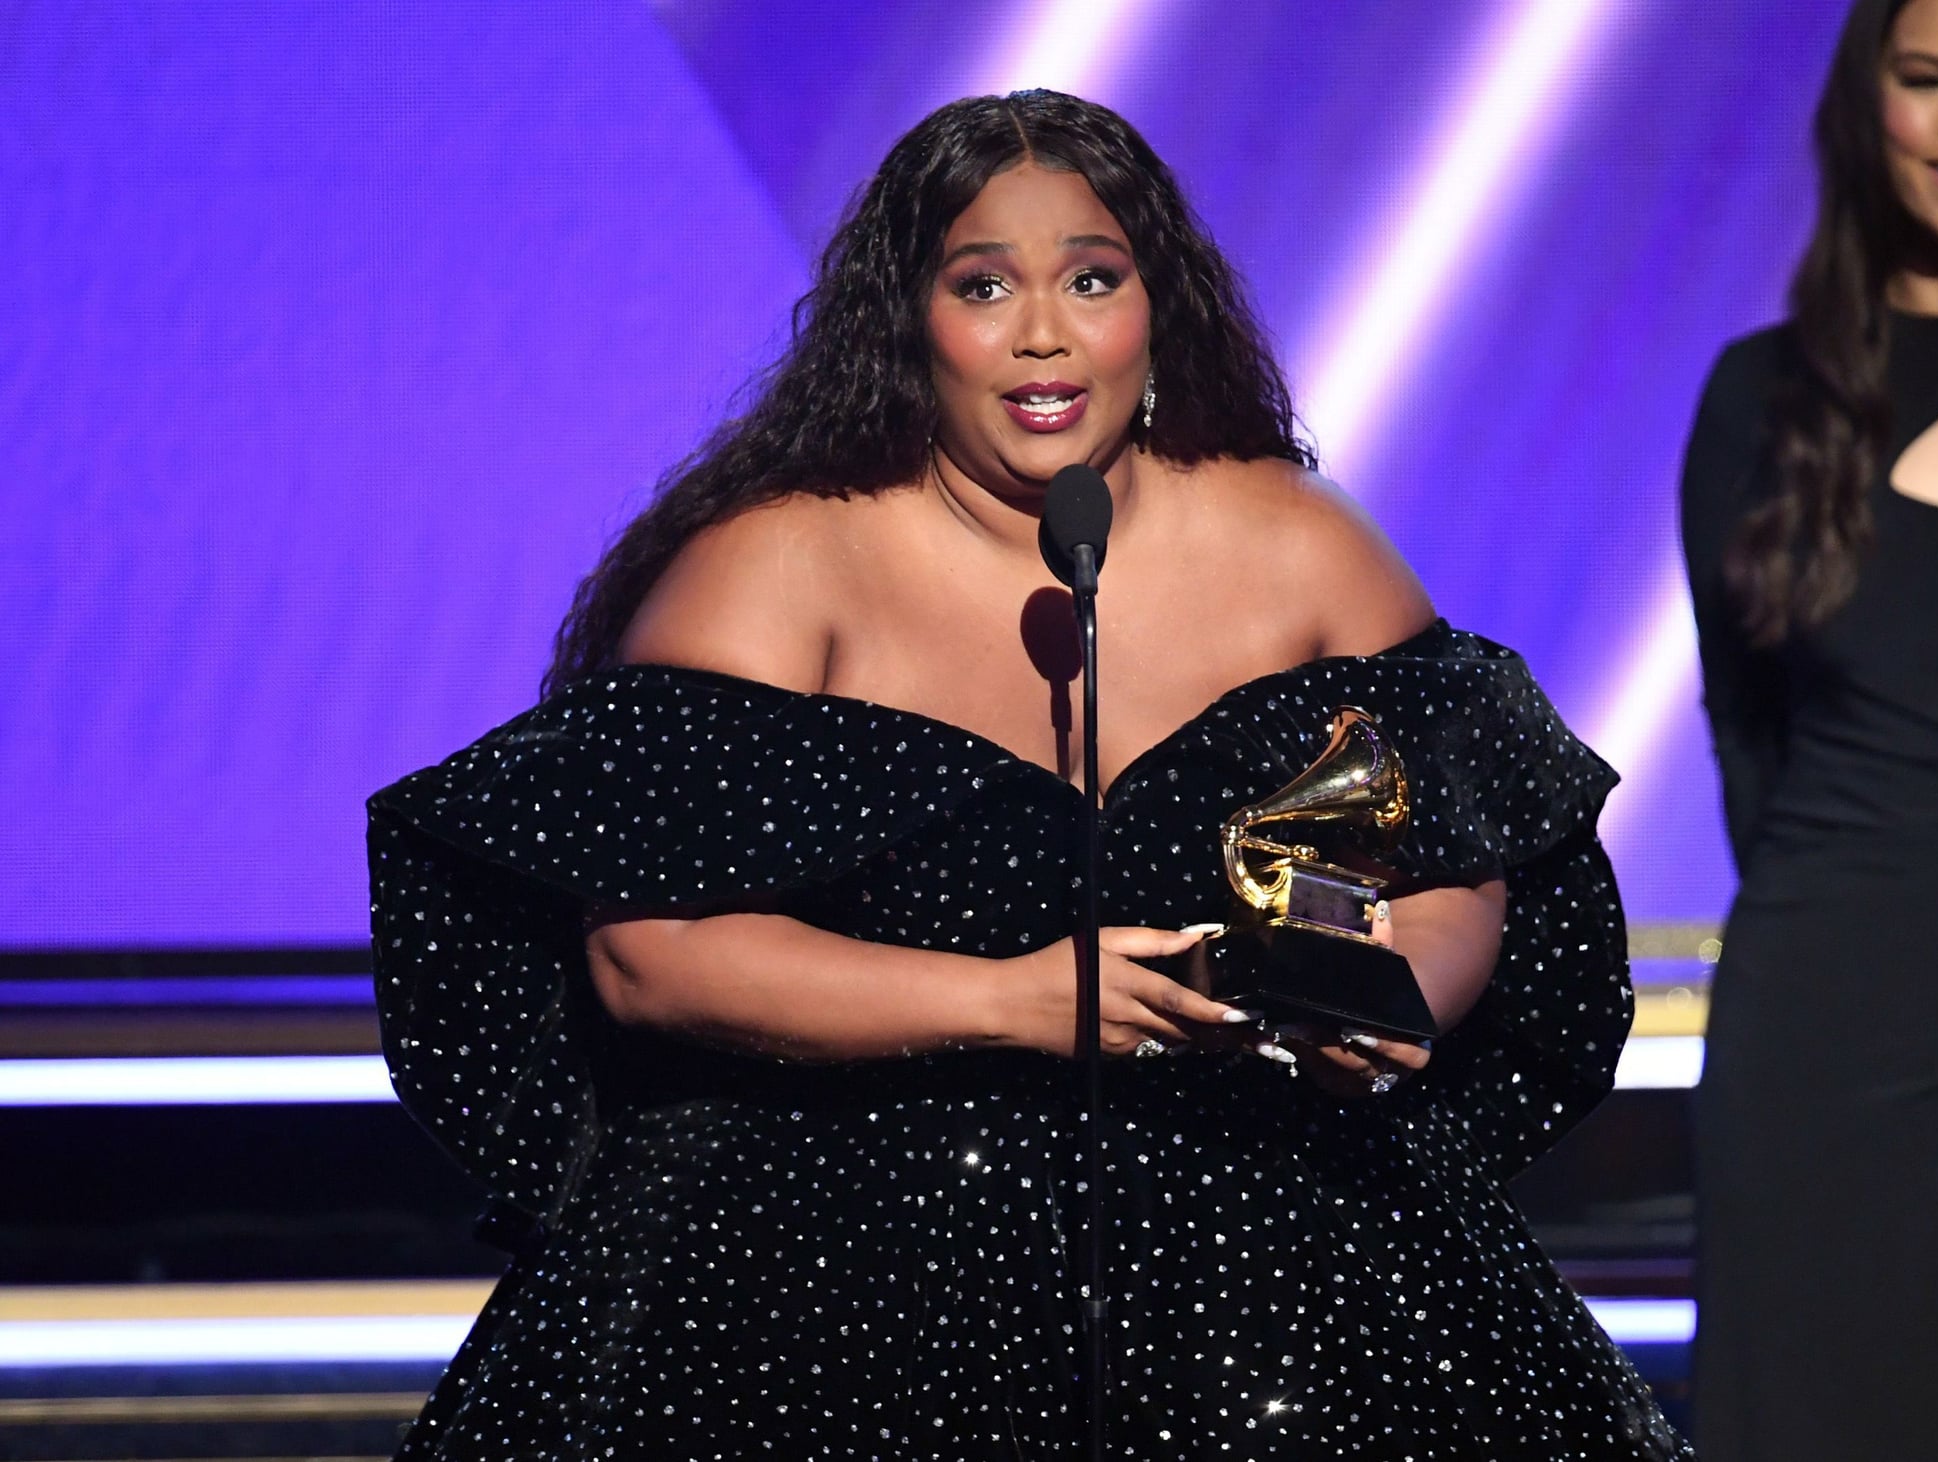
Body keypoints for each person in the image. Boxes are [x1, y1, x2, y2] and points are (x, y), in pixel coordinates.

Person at [371, 90, 1684, 1459]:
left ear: (1152, 307)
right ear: (909, 321)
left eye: (1091, 279)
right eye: (984, 283)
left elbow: (1453, 859)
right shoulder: (777, 567)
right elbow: (655, 956)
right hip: (831, 1270)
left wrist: (1403, 996)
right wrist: (1013, 998)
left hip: (1274, 1249)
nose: (1044, 333)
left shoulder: (1300, 545)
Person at [1682, 0, 1938, 1455]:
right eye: (1930, 78)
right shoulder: (1760, 397)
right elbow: (1745, 747)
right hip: (1823, 1058)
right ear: (1868, 100)